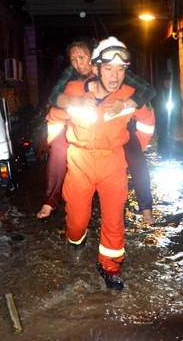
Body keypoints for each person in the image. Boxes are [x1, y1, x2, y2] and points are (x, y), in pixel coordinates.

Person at [46, 37, 155, 291]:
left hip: (113, 163)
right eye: (108, 68)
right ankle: (76, 241)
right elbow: (53, 116)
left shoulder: (130, 96)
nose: (114, 75)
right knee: (76, 223)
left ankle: (110, 266)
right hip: (80, 162)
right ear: (96, 68)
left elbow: (148, 122)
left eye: (120, 69)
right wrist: (57, 146)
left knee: (114, 219)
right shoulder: (73, 91)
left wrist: (130, 145)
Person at [37, 37, 155, 224]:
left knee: (136, 156)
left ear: (94, 58)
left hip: (114, 126)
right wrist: (80, 95)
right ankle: (50, 201)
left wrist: (125, 103)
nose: (78, 64)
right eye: (73, 59)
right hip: (80, 126)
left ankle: (146, 206)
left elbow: (146, 90)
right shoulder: (72, 75)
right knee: (58, 150)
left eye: (82, 57)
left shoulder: (110, 65)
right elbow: (54, 96)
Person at [152, 71, 183, 156]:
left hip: (171, 117)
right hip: (161, 117)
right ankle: (161, 149)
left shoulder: (174, 92)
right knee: (162, 134)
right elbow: (154, 103)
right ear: (163, 82)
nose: (168, 83)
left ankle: (170, 149)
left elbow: (180, 102)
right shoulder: (158, 92)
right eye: (166, 81)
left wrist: (177, 109)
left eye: (170, 81)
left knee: (170, 133)